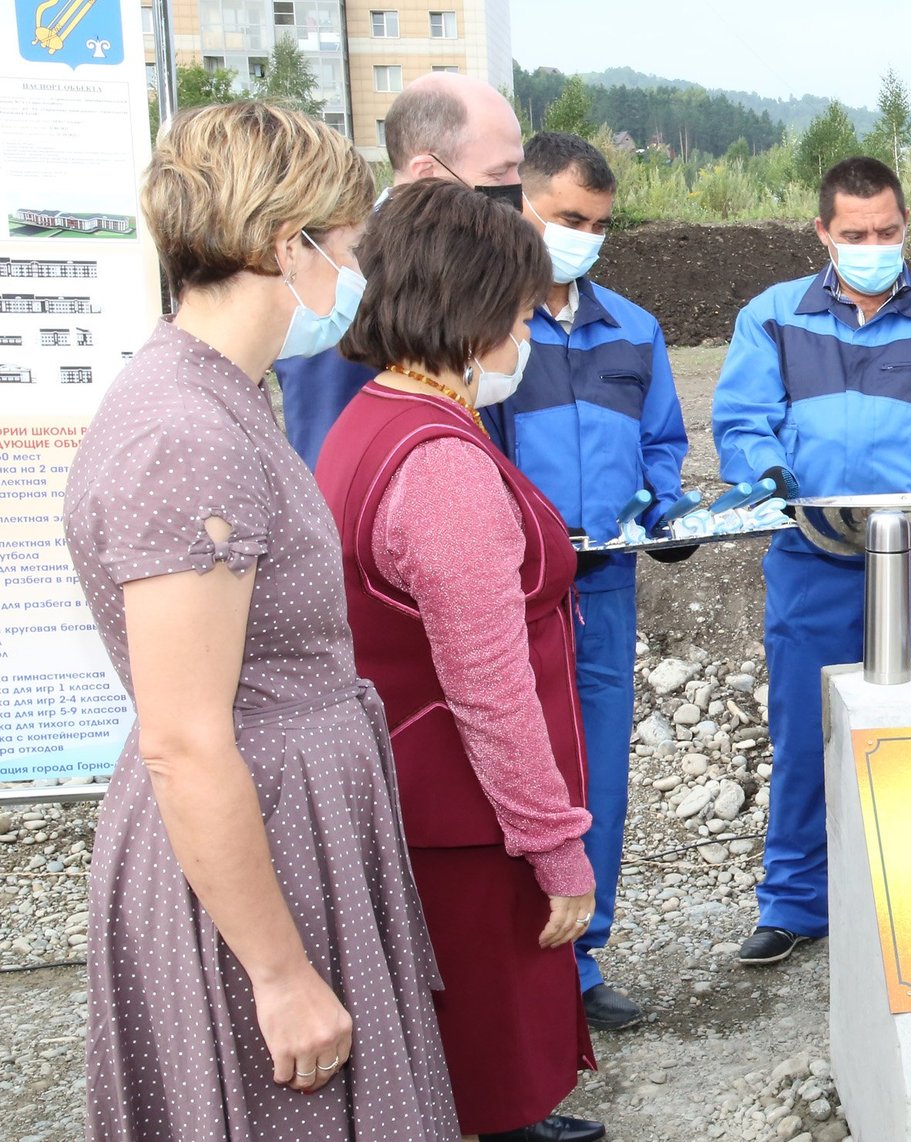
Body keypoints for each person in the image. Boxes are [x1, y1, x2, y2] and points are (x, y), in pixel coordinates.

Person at [62, 101, 457, 1139]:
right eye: (351, 245)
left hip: (289, 824)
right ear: (290, 245)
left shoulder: (218, 395)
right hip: (256, 848)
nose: (359, 270)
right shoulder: (188, 433)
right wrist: (279, 973)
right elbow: (186, 740)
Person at [316, 179, 605, 1142]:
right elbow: (490, 689)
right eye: (521, 313)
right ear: (477, 310)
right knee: (482, 1064)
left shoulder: (374, 418)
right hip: (466, 825)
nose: (526, 335)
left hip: (418, 798)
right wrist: (556, 847)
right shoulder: (440, 465)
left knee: (451, 1057)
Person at [712, 156, 911, 967]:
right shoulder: (772, 317)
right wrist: (766, 477)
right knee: (805, 730)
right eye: (854, 234)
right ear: (822, 232)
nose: (872, 246)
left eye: (887, 232)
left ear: (906, 229)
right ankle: (795, 902)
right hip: (812, 557)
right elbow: (744, 420)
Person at [485, 130, 692, 1031]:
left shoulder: (633, 331)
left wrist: (669, 513)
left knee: (596, 773)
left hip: (602, 585)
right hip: (507, 594)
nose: (584, 235)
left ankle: (579, 960)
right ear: (521, 206)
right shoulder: (485, 327)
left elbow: (660, 450)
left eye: (599, 224)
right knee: (512, 768)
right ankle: (505, 961)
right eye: (569, 218)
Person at [276, 71, 525, 470]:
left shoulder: (462, 260)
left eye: (518, 170)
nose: (517, 190)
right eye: (498, 174)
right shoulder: (345, 273)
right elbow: (331, 443)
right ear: (427, 173)